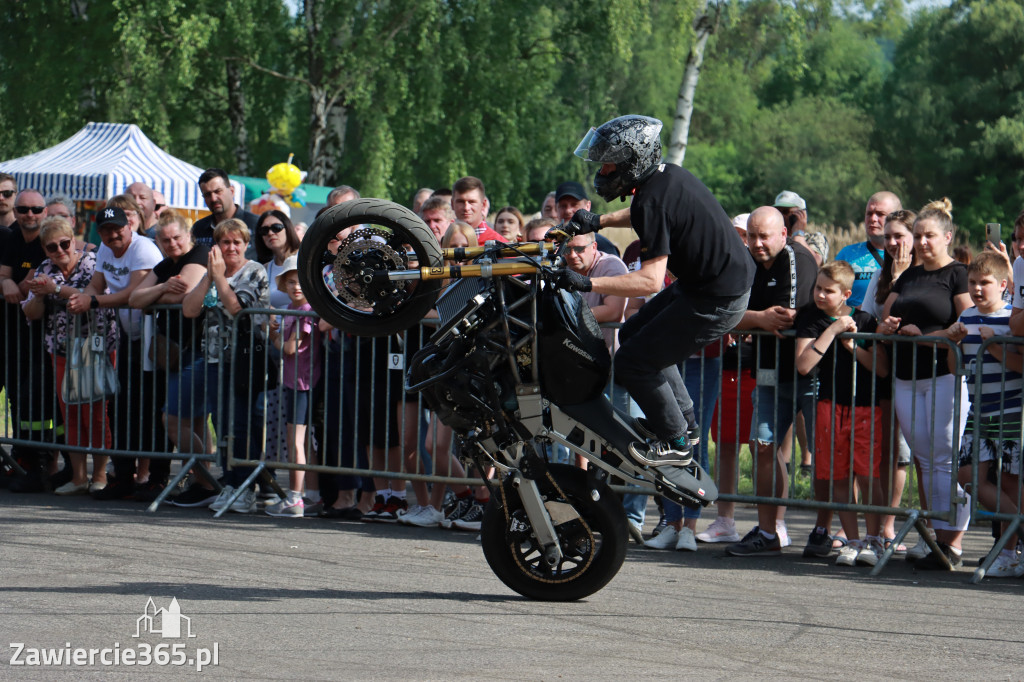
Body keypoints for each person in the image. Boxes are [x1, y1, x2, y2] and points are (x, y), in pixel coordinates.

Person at [558, 114, 754, 499]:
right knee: (633, 334)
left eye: (609, 162)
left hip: (717, 297)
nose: (603, 170)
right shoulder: (665, 178)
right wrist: (597, 221)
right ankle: (687, 424)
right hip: (709, 285)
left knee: (633, 362)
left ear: (632, 160)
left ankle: (676, 440)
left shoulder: (652, 198)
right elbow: (642, 213)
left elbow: (649, 281)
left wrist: (587, 282)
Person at [879, 198, 972, 570]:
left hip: (943, 375)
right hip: (906, 377)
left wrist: (926, 335)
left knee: (946, 459)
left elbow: (966, 325)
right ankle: (936, 537)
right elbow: (886, 320)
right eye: (917, 236)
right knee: (926, 460)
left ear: (947, 237)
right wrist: (888, 329)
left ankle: (954, 542)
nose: (921, 242)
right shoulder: (907, 276)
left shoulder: (957, 274)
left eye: (929, 235)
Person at [726, 206, 817, 557]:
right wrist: (757, 319)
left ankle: (829, 532)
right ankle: (769, 531)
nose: (758, 243)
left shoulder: (796, 259)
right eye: (752, 235)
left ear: (783, 234)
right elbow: (726, 315)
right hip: (766, 370)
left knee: (822, 455)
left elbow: (784, 320)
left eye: (765, 236)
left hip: (808, 372)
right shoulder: (746, 262)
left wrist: (754, 321)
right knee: (763, 447)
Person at [68, 205, 165, 500]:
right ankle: (122, 476)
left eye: (117, 228)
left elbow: (133, 295)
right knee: (122, 406)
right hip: (127, 334)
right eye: (106, 231)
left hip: (154, 333)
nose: (113, 235)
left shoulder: (143, 249)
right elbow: (96, 283)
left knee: (151, 407)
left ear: (129, 226)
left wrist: (93, 302)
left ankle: (156, 479)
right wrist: (81, 296)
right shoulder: (105, 250)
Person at [795, 261, 888, 566]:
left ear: (846, 293)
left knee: (867, 474)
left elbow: (882, 367)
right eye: (818, 288)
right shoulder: (813, 319)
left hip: (865, 406)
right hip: (829, 405)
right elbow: (804, 364)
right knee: (838, 475)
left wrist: (853, 347)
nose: (820, 294)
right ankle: (853, 539)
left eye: (828, 290)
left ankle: (874, 540)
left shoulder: (866, 319)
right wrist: (834, 329)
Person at [22, 216, 119, 495]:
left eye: (65, 243)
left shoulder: (93, 263)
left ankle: (99, 475)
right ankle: (77, 478)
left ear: (74, 240)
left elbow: (93, 299)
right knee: (71, 415)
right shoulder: (43, 268)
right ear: (45, 249)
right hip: (62, 349)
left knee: (97, 415)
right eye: (52, 247)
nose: (60, 251)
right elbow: (31, 312)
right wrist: (39, 296)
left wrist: (55, 289)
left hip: (95, 347)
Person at [182, 218, 270, 514]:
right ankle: (231, 483)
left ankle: (246, 487)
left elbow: (237, 309)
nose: (230, 247)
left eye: (236, 242)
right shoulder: (213, 272)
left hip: (244, 359)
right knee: (221, 424)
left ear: (246, 244)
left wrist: (219, 278)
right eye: (224, 242)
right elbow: (190, 309)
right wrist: (210, 276)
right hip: (214, 358)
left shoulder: (254, 271)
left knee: (241, 425)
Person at [127, 210, 214, 507]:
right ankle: (204, 483)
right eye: (165, 240)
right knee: (196, 422)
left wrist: (156, 294)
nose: (172, 244)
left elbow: (186, 295)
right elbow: (134, 299)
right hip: (176, 353)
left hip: (198, 350)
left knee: (174, 420)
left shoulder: (200, 254)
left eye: (177, 237)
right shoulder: (166, 266)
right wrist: (164, 287)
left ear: (188, 235)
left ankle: (206, 481)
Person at [952, 251, 1023, 577]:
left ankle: (1009, 552)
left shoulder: (1012, 320)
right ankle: (1016, 533)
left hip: (1010, 411)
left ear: (1004, 285)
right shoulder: (965, 316)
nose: (978, 289)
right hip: (978, 410)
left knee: (1009, 482)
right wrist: (953, 343)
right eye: (973, 283)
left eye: (985, 283)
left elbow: (1021, 366)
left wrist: (995, 346)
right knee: (968, 478)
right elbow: (957, 369)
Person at [860, 209, 918, 550]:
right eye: (889, 237)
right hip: (883, 371)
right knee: (886, 450)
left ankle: (894, 523)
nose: (893, 243)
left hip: (918, 372)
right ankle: (880, 524)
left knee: (908, 453)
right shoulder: (880, 275)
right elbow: (870, 319)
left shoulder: (923, 274)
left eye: (900, 236)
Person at [1, 189, 62, 492]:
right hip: (16, 337)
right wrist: (8, 281)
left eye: (36, 210)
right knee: (19, 399)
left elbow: (44, 285)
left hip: (48, 339)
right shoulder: (12, 238)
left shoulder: (47, 242)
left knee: (40, 403)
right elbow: (5, 276)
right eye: (23, 209)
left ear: (44, 212)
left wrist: (19, 286)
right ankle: (25, 461)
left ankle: (46, 467)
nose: (29, 215)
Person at [697, 213, 753, 545]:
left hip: (758, 369)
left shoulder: (762, 267)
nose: (742, 240)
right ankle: (726, 520)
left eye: (746, 234)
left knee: (767, 449)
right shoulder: (720, 266)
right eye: (736, 234)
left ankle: (773, 524)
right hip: (723, 367)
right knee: (726, 447)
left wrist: (745, 320)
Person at [266, 257, 323, 517]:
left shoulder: (305, 310)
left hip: (302, 383)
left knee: (296, 442)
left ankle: (295, 498)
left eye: (300, 281)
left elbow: (290, 349)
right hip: (294, 381)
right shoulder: (291, 308)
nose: (296, 286)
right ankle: (309, 494)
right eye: (290, 281)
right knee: (301, 443)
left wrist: (275, 335)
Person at [254, 210, 302, 466]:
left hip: (301, 345)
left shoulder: (304, 261)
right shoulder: (264, 268)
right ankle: (271, 474)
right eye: (264, 231)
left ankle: (301, 485)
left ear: (287, 228)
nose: (270, 234)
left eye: (275, 227)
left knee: (298, 417)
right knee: (271, 411)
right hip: (273, 345)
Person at [836, 192, 903, 308]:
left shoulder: (911, 256)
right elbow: (829, 296)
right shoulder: (847, 254)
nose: (873, 219)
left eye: (880, 214)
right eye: (869, 213)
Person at [191, 169, 259, 253]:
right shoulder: (199, 229)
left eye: (218, 191)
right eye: (207, 194)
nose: (213, 198)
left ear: (232, 191)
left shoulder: (255, 224)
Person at [554, 180, 619, 257]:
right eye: (563, 206)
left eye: (574, 204)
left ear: (588, 206)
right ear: (556, 209)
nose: (568, 210)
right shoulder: (550, 244)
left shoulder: (603, 246)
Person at [452, 176, 506, 244]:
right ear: (452, 204)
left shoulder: (501, 246)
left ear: (483, 204)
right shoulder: (441, 243)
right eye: (461, 201)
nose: (466, 208)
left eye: (472, 202)